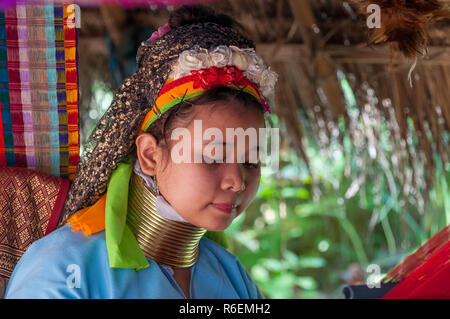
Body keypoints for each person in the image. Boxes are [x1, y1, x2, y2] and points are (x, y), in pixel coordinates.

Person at [4, 5, 278, 299]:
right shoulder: (63, 269)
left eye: (251, 160)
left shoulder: (231, 275)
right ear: (150, 155)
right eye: (212, 156)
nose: (237, 181)